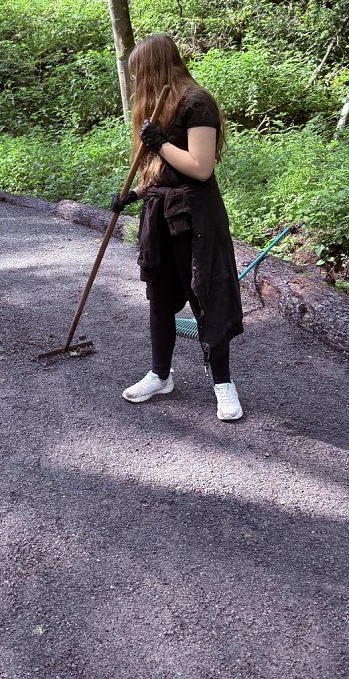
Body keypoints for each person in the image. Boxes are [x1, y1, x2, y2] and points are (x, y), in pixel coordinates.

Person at [111, 34, 244, 420]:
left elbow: (201, 168)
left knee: (206, 295)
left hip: (197, 218)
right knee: (160, 298)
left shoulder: (196, 102)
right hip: (161, 214)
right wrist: (135, 194)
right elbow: (164, 170)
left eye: (140, 73)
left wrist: (158, 143)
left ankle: (223, 385)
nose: (137, 81)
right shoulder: (160, 107)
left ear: (155, 68)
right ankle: (160, 375)